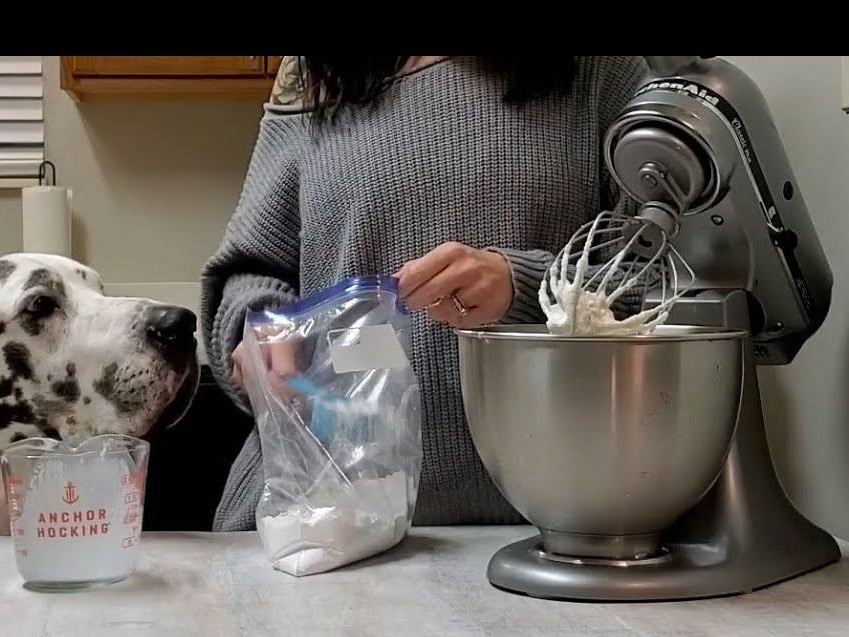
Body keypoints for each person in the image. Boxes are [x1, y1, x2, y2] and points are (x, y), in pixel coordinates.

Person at [200, 55, 653, 532]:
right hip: (313, 525)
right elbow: (248, 271)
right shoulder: (313, 72)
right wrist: (260, 333)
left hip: (550, 532)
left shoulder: (604, 73)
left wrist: (524, 286)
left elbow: (659, 284)